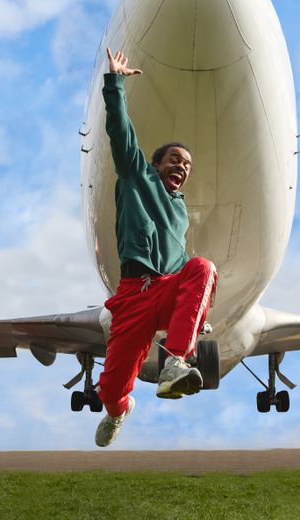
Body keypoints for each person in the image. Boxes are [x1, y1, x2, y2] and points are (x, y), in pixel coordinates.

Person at [94, 48, 218, 447]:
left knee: (202, 267)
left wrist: (197, 310)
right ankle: (118, 410)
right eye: (176, 160)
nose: (182, 167)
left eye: (188, 166)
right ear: (157, 162)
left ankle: (176, 362)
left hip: (165, 287)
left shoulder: (180, 214)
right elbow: (120, 132)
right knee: (111, 388)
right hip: (132, 294)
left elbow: (185, 269)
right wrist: (115, 84)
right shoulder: (136, 176)